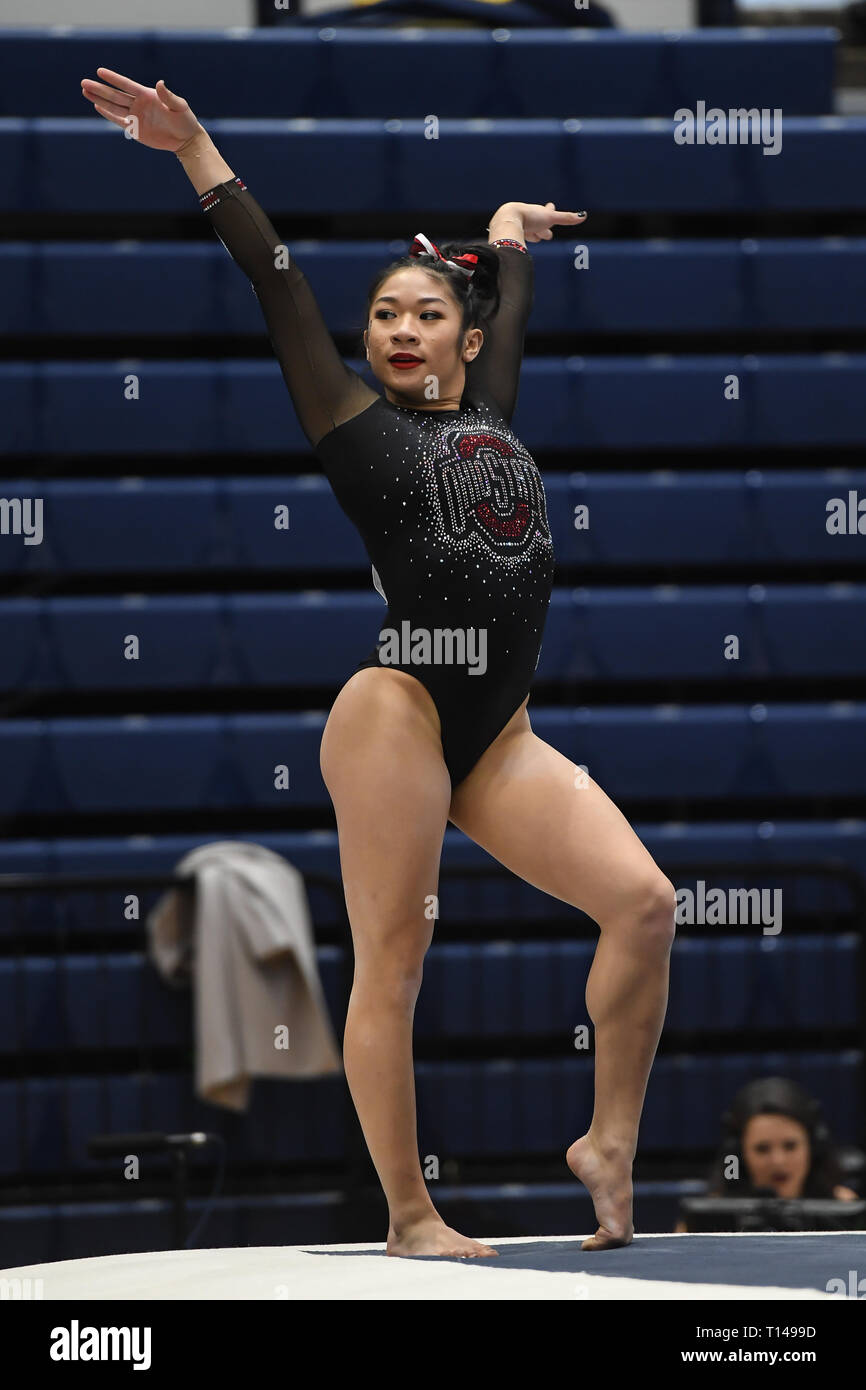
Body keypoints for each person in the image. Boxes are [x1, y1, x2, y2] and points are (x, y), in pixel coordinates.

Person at [80, 67, 678, 1259]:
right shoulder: (351, 427)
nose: (400, 331)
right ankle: (410, 1212)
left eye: (424, 315)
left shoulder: (491, 417)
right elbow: (274, 276)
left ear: (460, 337)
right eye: (384, 318)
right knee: (396, 957)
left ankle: (606, 1140)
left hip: (496, 734)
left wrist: (505, 239)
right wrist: (198, 151)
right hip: (397, 707)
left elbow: (506, 298)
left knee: (646, 904)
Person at [675, 1076, 859, 1232]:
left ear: (813, 1147)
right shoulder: (708, 1217)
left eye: (790, 1146)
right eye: (762, 1149)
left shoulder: (847, 1209)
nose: (778, 1161)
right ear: (739, 1154)